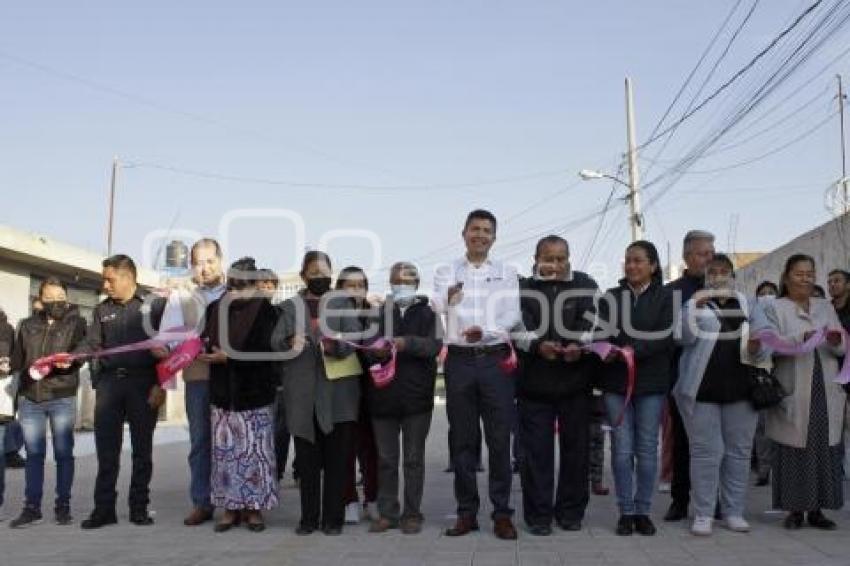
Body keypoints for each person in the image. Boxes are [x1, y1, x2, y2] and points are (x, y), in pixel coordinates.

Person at [432, 209, 521, 540]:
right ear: (464, 233)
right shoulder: (446, 270)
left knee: (500, 438)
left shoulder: (507, 272)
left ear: (494, 237)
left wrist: (483, 331)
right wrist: (448, 296)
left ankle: (501, 513)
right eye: (475, 229)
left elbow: (512, 315)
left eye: (486, 230)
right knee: (463, 439)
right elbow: (439, 306)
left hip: (494, 360)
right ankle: (466, 512)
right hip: (459, 362)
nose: (480, 235)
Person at [673, 254, 766, 536]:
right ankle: (703, 513)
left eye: (724, 271)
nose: (719, 276)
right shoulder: (694, 303)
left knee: (738, 453)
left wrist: (756, 347)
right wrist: (693, 308)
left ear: (732, 275)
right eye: (713, 272)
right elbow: (681, 337)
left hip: (742, 388)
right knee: (705, 453)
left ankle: (733, 512)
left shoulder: (749, 304)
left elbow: (766, 340)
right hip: (702, 388)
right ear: (705, 277)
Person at [271, 251, 362, 536]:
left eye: (324, 272)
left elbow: (356, 336)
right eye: (313, 272)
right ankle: (308, 519)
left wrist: (338, 346)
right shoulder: (289, 307)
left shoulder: (342, 303)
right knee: (308, 463)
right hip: (302, 394)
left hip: (338, 393)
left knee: (337, 460)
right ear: (303, 275)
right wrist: (288, 340)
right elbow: (274, 341)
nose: (320, 277)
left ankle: (333, 519)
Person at [73, 255, 167, 529]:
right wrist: (71, 357)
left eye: (109, 279)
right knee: (106, 452)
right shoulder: (102, 311)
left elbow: (170, 350)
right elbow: (92, 343)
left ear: (128, 277)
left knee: (142, 451)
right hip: (110, 386)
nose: (105, 285)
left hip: (144, 385)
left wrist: (161, 386)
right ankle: (104, 510)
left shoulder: (154, 306)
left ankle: (139, 507)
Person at [515, 235, 599, 536]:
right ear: (536, 260)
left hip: (576, 384)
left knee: (576, 452)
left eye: (561, 257)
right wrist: (537, 346)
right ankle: (538, 516)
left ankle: (571, 512)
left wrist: (579, 344)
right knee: (536, 454)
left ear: (569, 258)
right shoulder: (522, 289)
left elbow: (596, 323)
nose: (555, 264)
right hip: (533, 386)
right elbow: (515, 328)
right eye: (548, 258)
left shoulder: (586, 285)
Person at [759, 254, 846, 530]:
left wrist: (836, 340)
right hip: (795, 385)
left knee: (824, 447)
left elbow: (843, 346)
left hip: (826, 386)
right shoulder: (776, 308)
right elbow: (769, 343)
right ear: (786, 277)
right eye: (799, 273)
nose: (806, 278)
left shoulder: (825, 307)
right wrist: (801, 338)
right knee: (794, 448)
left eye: (810, 273)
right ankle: (794, 510)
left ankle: (818, 510)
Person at [597, 240, 674, 536]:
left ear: (653, 266)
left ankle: (643, 510)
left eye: (639, 260)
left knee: (646, 449)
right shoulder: (611, 296)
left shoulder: (667, 297)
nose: (632, 266)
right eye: (628, 260)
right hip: (616, 383)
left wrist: (633, 350)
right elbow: (601, 331)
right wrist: (613, 350)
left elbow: (666, 335)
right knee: (620, 449)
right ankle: (625, 511)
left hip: (651, 384)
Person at [202, 257, 279, 532]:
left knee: (254, 455)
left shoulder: (267, 312)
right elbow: (205, 339)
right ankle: (230, 508)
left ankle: (254, 509)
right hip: (222, 395)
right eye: (233, 281)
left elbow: (268, 353)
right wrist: (203, 351)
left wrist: (230, 358)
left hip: (254, 395)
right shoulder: (215, 308)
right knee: (225, 455)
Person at [365, 262, 442, 534]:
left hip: (416, 398)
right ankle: (388, 513)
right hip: (383, 397)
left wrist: (406, 343)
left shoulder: (429, 313)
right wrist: (377, 351)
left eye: (408, 280)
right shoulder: (378, 313)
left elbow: (435, 345)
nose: (402, 285)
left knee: (413, 459)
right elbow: (365, 346)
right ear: (390, 282)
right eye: (397, 280)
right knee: (386, 460)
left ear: (417, 283)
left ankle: (412, 513)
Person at [8, 277, 87, 527]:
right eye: (50, 298)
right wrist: (7, 364)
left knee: (64, 453)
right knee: (34, 454)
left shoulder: (77, 322)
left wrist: (72, 360)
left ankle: (62, 505)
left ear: (66, 298)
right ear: (39, 300)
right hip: (31, 397)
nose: (56, 303)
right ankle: (32, 507)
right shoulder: (26, 325)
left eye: (60, 298)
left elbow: (83, 352)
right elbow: (17, 360)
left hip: (61, 395)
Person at [664, 230, 715, 522]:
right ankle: (680, 500)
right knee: (683, 444)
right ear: (686, 257)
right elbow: (671, 337)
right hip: (684, 380)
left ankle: (715, 501)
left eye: (711, 253)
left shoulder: (727, 290)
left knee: (715, 446)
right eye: (701, 253)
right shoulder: (673, 292)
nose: (707, 259)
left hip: (721, 380)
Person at [179, 239, 226, 526]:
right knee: (200, 442)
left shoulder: (235, 294)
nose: (205, 268)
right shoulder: (182, 297)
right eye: (199, 262)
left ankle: (235, 501)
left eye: (210, 261)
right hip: (197, 377)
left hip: (229, 376)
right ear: (191, 266)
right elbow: (171, 335)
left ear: (220, 261)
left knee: (231, 442)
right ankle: (202, 502)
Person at [335, 266, 379, 525]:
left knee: (371, 448)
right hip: (342, 389)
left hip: (371, 389)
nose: (355, 290)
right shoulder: (333, 315)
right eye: (349, 285)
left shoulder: (373, 315)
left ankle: (372, 499)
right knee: (346, 448)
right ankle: (349, 500)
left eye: (360, 285)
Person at [753, 280, 779, 487]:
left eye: (771, 293)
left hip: (781, 380)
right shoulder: (752, 322)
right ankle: (764, 469)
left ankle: (779, 469)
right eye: (763, 293)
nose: (767, 296)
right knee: (762, 429)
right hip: (760, 381)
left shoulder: (783, 319)